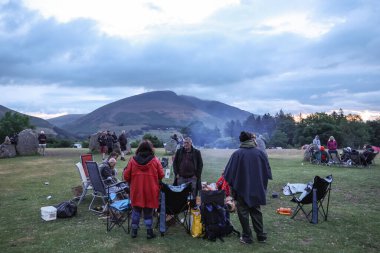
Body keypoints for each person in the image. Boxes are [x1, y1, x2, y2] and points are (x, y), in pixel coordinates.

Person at [224, 131, 272, 245]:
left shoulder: (237, 154)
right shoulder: (260, 153)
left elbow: (228, 173)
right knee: (256, 211)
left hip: (241, 188)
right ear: (251, 139)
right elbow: (267, 172)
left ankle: (247, 237)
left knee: (243, 212)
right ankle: (261, 236)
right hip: (257, 188)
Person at [123, 140, 164, 239]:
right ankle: (149, 232)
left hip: (136, 190)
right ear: (151, 148)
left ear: (139, 148)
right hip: (151, 190)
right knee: (148, 211)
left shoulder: (132, 160)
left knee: (136, 210)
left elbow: (126, 176)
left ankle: (134, 232)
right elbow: (161, 175)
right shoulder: (155, 160)